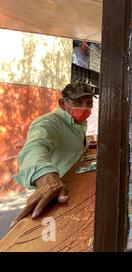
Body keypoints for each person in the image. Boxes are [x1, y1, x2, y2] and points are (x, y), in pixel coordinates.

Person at [10, 82, 96, 228]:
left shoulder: (77, 123)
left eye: (89, 102)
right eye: (78, 102)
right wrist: (46, 178)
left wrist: (86, 145)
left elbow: (69, 144)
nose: (84, 107)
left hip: (75, 193)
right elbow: (35, 146)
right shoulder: (48, 122)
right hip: (56, 195)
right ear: (63, 103)